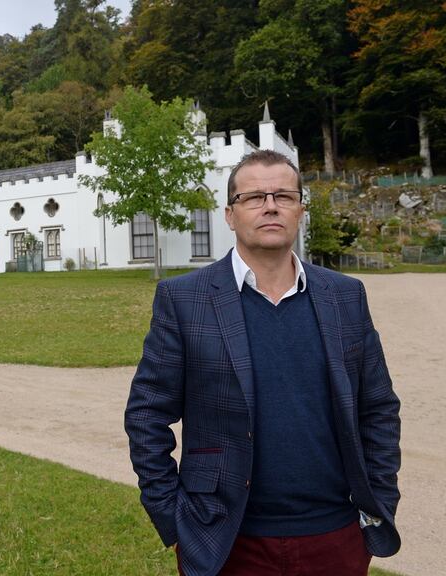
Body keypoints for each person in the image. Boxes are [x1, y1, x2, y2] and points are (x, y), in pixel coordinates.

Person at [125, 149, 401, 576]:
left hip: (335, 537)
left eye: (284, 196)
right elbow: (146, 415)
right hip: (225, 538)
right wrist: (173, 517)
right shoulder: (184, 299)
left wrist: (380, 498)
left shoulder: (345, 296)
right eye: (253, 197)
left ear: (300, 211)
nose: (270, 205)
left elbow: (378, 408)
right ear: (230, 215)